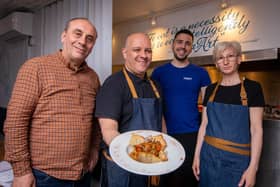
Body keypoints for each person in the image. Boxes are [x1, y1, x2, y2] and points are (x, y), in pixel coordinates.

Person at [4, 17, 101, 187]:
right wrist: (21, 172)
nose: (83, 42)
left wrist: (94, 149)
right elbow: (15, 122)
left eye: (89, 38)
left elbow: (95, 121)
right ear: (64, 36)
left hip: (82, 175)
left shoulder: (93, 78)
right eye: (77, 34)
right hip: (43, 176)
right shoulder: (36, 68)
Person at [95, 32, 165, 187]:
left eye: (148, 50)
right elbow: (108, 131)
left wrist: (164, 151)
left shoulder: (155, 86)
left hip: (150, 164)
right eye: (137, 50)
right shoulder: (114, 84)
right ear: (125, 53)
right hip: (122, 167)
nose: (144, 55)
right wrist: (136, 156)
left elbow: (160, 121)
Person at [192, 41, 264, 187]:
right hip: (208, 157)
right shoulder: (210, 90)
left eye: (230, 56)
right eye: (220, 57)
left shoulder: (252, 88)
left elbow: (257, 130)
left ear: (239, 59)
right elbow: (204, 126)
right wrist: (196, 156)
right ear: (216, 64)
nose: (225, 61)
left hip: (237, 162)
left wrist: (253, 168)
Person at [151, 29, 211, 187]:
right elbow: (153, 104)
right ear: (173, 45)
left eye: (187, 43)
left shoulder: (201, 73)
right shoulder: (159, 72)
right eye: (179, 42)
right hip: (164, 134)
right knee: (164, 179)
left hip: (191, 135)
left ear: (191, 48)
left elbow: (208, 105)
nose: (183, 46)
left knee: (187, 180)